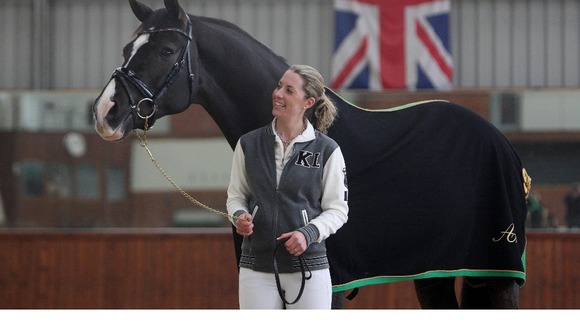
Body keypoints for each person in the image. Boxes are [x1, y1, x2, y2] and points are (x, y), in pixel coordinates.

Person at [226, 64, 349, 309]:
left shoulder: (327, 150)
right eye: (279, 86)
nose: (278, 93)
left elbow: (338, 209)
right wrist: (239, 216)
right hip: (256, 268)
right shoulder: (248, 144)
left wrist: (308, 233)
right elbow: (236, 197)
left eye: (289, 90)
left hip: (308, 268)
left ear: (308, 101)